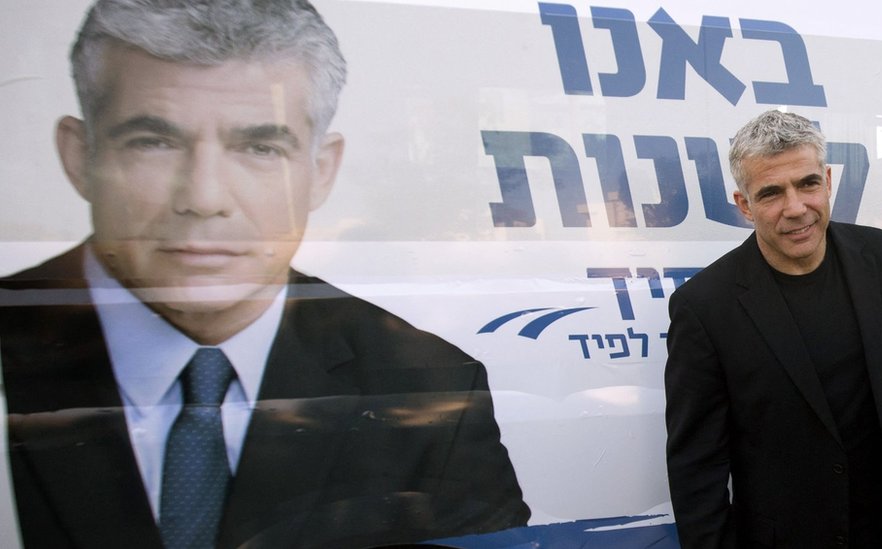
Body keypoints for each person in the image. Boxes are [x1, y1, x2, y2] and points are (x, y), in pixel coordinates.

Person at [0, 1, 529, 548]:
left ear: (320, 171)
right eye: (153, 142)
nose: (204, 198)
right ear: (79, 155)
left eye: (259, 147)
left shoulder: (432, 385)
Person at [664, 110, 882, 548]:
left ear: (827, 181)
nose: (795, 208)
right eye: (771, 193)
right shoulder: (704, 306)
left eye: (807, 184)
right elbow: (697, 464)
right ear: (744, 205)